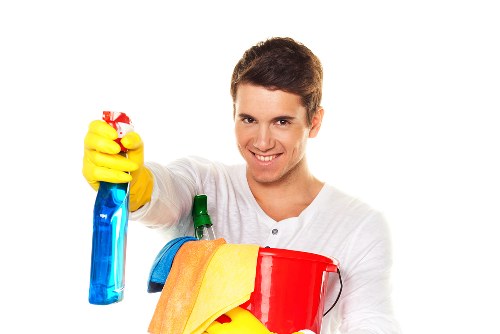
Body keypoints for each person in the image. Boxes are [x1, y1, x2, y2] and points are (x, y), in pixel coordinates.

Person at [83, 37, 401, 334]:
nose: (262, 142)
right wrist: (133, 182)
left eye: (281, 121)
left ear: (314, 122)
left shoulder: (359, 227)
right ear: (233, 113)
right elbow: (162, 193)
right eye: (248, 119)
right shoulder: (203, 184)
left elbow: (372, 323)